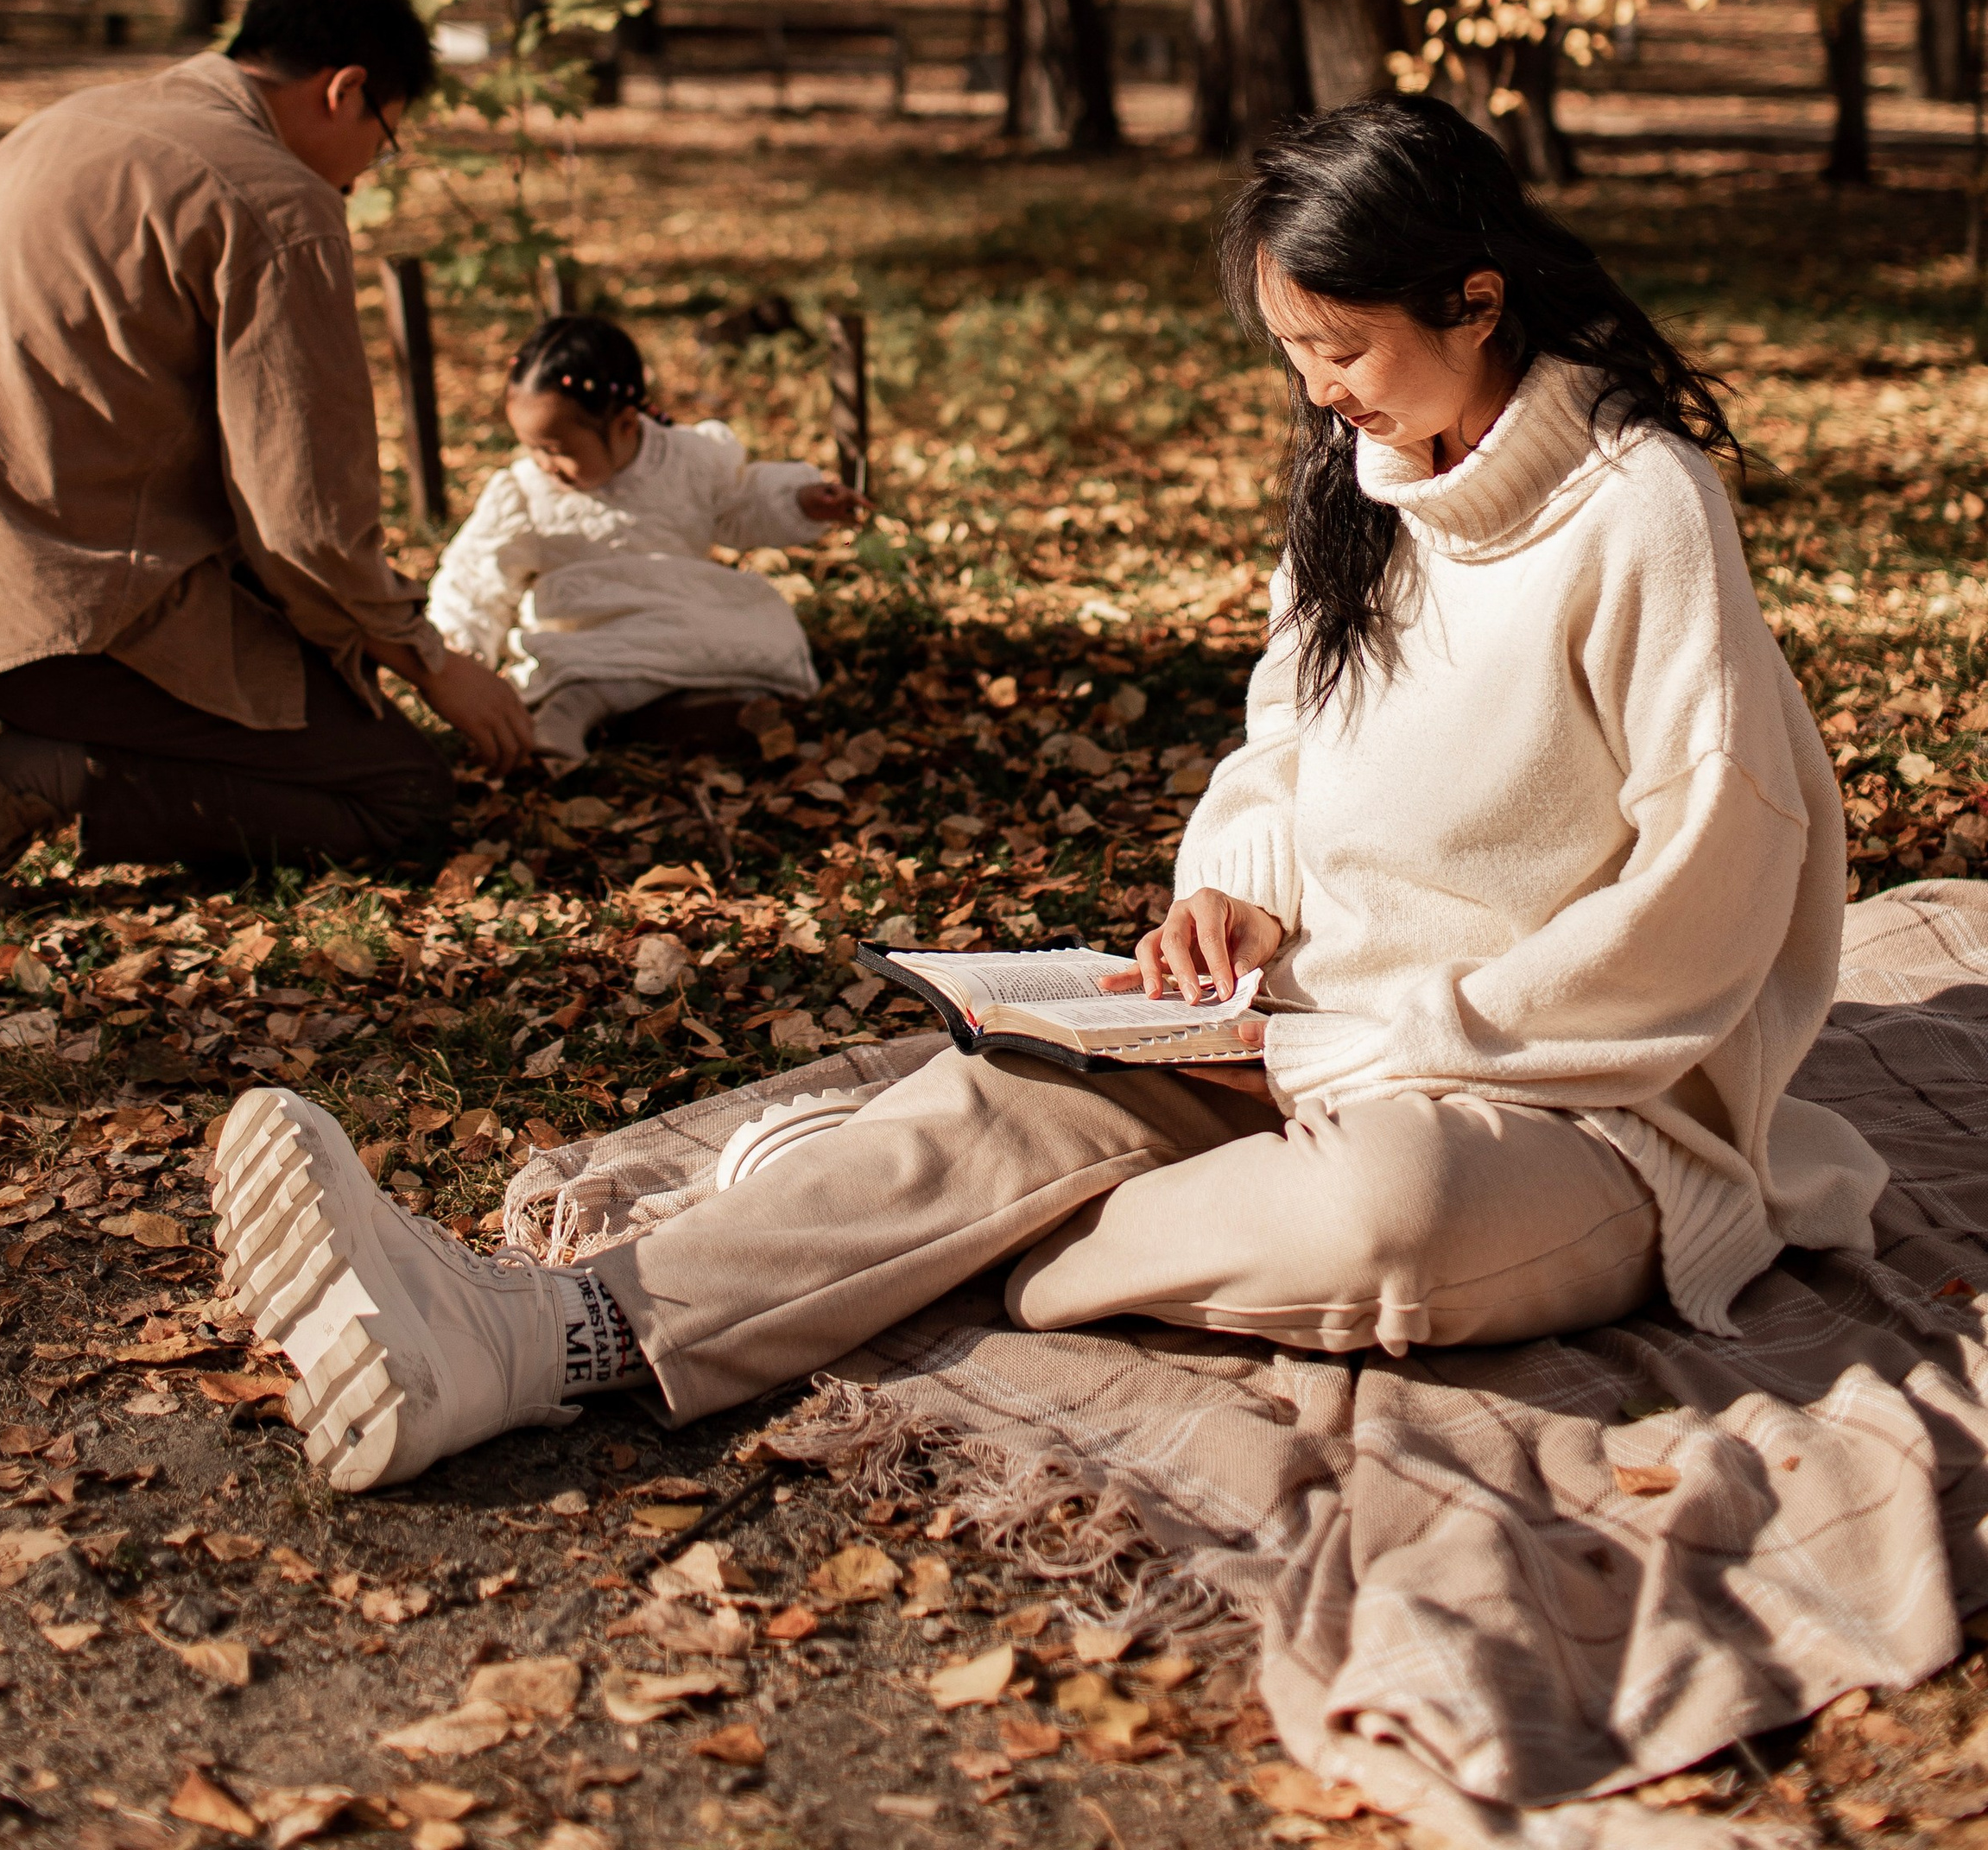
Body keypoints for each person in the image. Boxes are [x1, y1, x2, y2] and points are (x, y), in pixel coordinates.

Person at [208, 92, 1887, 1493]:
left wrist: (1408, 1038)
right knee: (1015, 1099)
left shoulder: (1635, 509)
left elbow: (1714, 876)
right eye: (1291, 347)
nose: (1319, 389)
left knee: (1387, 1224)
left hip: (1565, 1093)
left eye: (1341, 344)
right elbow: (1278, 747)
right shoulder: (1360, 485)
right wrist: (1226, 879)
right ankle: (520, 1338)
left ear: (1472, 300)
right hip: (1289, 1020)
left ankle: (894, 1240)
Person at [0, 0, 534, 927]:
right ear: (345, 90)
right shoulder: (281, 200)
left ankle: (23, 738)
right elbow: (305, 525)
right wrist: (430, 661)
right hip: (65, 605)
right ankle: (11, 774)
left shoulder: (75, 118)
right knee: (401, 793)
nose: (360, 173)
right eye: (381, 142)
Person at [425, 314, 860, 770]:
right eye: (532, 447)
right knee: (574, 668)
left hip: (679, 608)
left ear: (627, 424)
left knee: (758, 628)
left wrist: (801, 500)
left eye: (557, 450)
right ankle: (571, 712)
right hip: (588, 625)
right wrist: (460, 647)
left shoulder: (688, 460)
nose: (543, 463)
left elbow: (740, 501)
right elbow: (476, 572)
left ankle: (709, 704)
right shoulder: (524, 493)